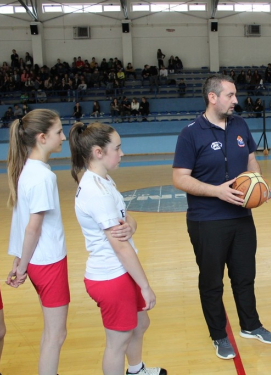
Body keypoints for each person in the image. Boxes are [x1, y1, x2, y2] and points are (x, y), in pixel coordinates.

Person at [172, 74, 271, 360]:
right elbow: (180, 178)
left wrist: (260, 185)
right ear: (212, 97)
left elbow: (250, 160)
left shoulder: (240, 124)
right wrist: (216, 192)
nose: (236, 100)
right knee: (212, 282)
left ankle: (251, 325)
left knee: (245, 276)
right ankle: (219, 334)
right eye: (230, 95)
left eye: (235, 95)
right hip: (206, 219)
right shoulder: (190, 133)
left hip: (241, 218)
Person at [68, 122, 167, 375]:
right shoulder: (96, 191)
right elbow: (121, 248)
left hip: (121, 272)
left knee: (141, 323)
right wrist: (145, 285)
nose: (122, 153)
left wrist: (131, 225)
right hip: (111, 276)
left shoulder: (104, 180)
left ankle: (136, 370)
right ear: (99, 152)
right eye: (118, 148)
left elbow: (126, 218)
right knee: (117, 343)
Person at [6, 109, 70, 375]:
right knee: (56, 335)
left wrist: (20, 258)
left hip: (37, 261)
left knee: (51, 333)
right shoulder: (43, 176)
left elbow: (20, 221)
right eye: (58, 132)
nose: (64, 137)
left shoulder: (28, 170)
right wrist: (21, 266)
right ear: (42, 137)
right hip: (49, 262)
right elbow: (32, 226)